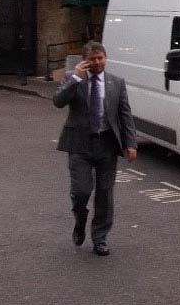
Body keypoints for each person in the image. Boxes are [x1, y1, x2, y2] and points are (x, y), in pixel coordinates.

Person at [53, 41, 138, 257]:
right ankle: (80, 219)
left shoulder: (116, 83)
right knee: (81, 191)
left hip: (106, 144)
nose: (97, 62)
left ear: (105, 58)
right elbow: (58, 101)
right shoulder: (74, 79)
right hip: (79, 144)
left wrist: (130, 143)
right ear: (85, 61)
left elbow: (124, 114)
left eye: (101, 58)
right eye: (93, 59)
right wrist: (74, 78)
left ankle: (100, 238)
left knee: (105, 194)